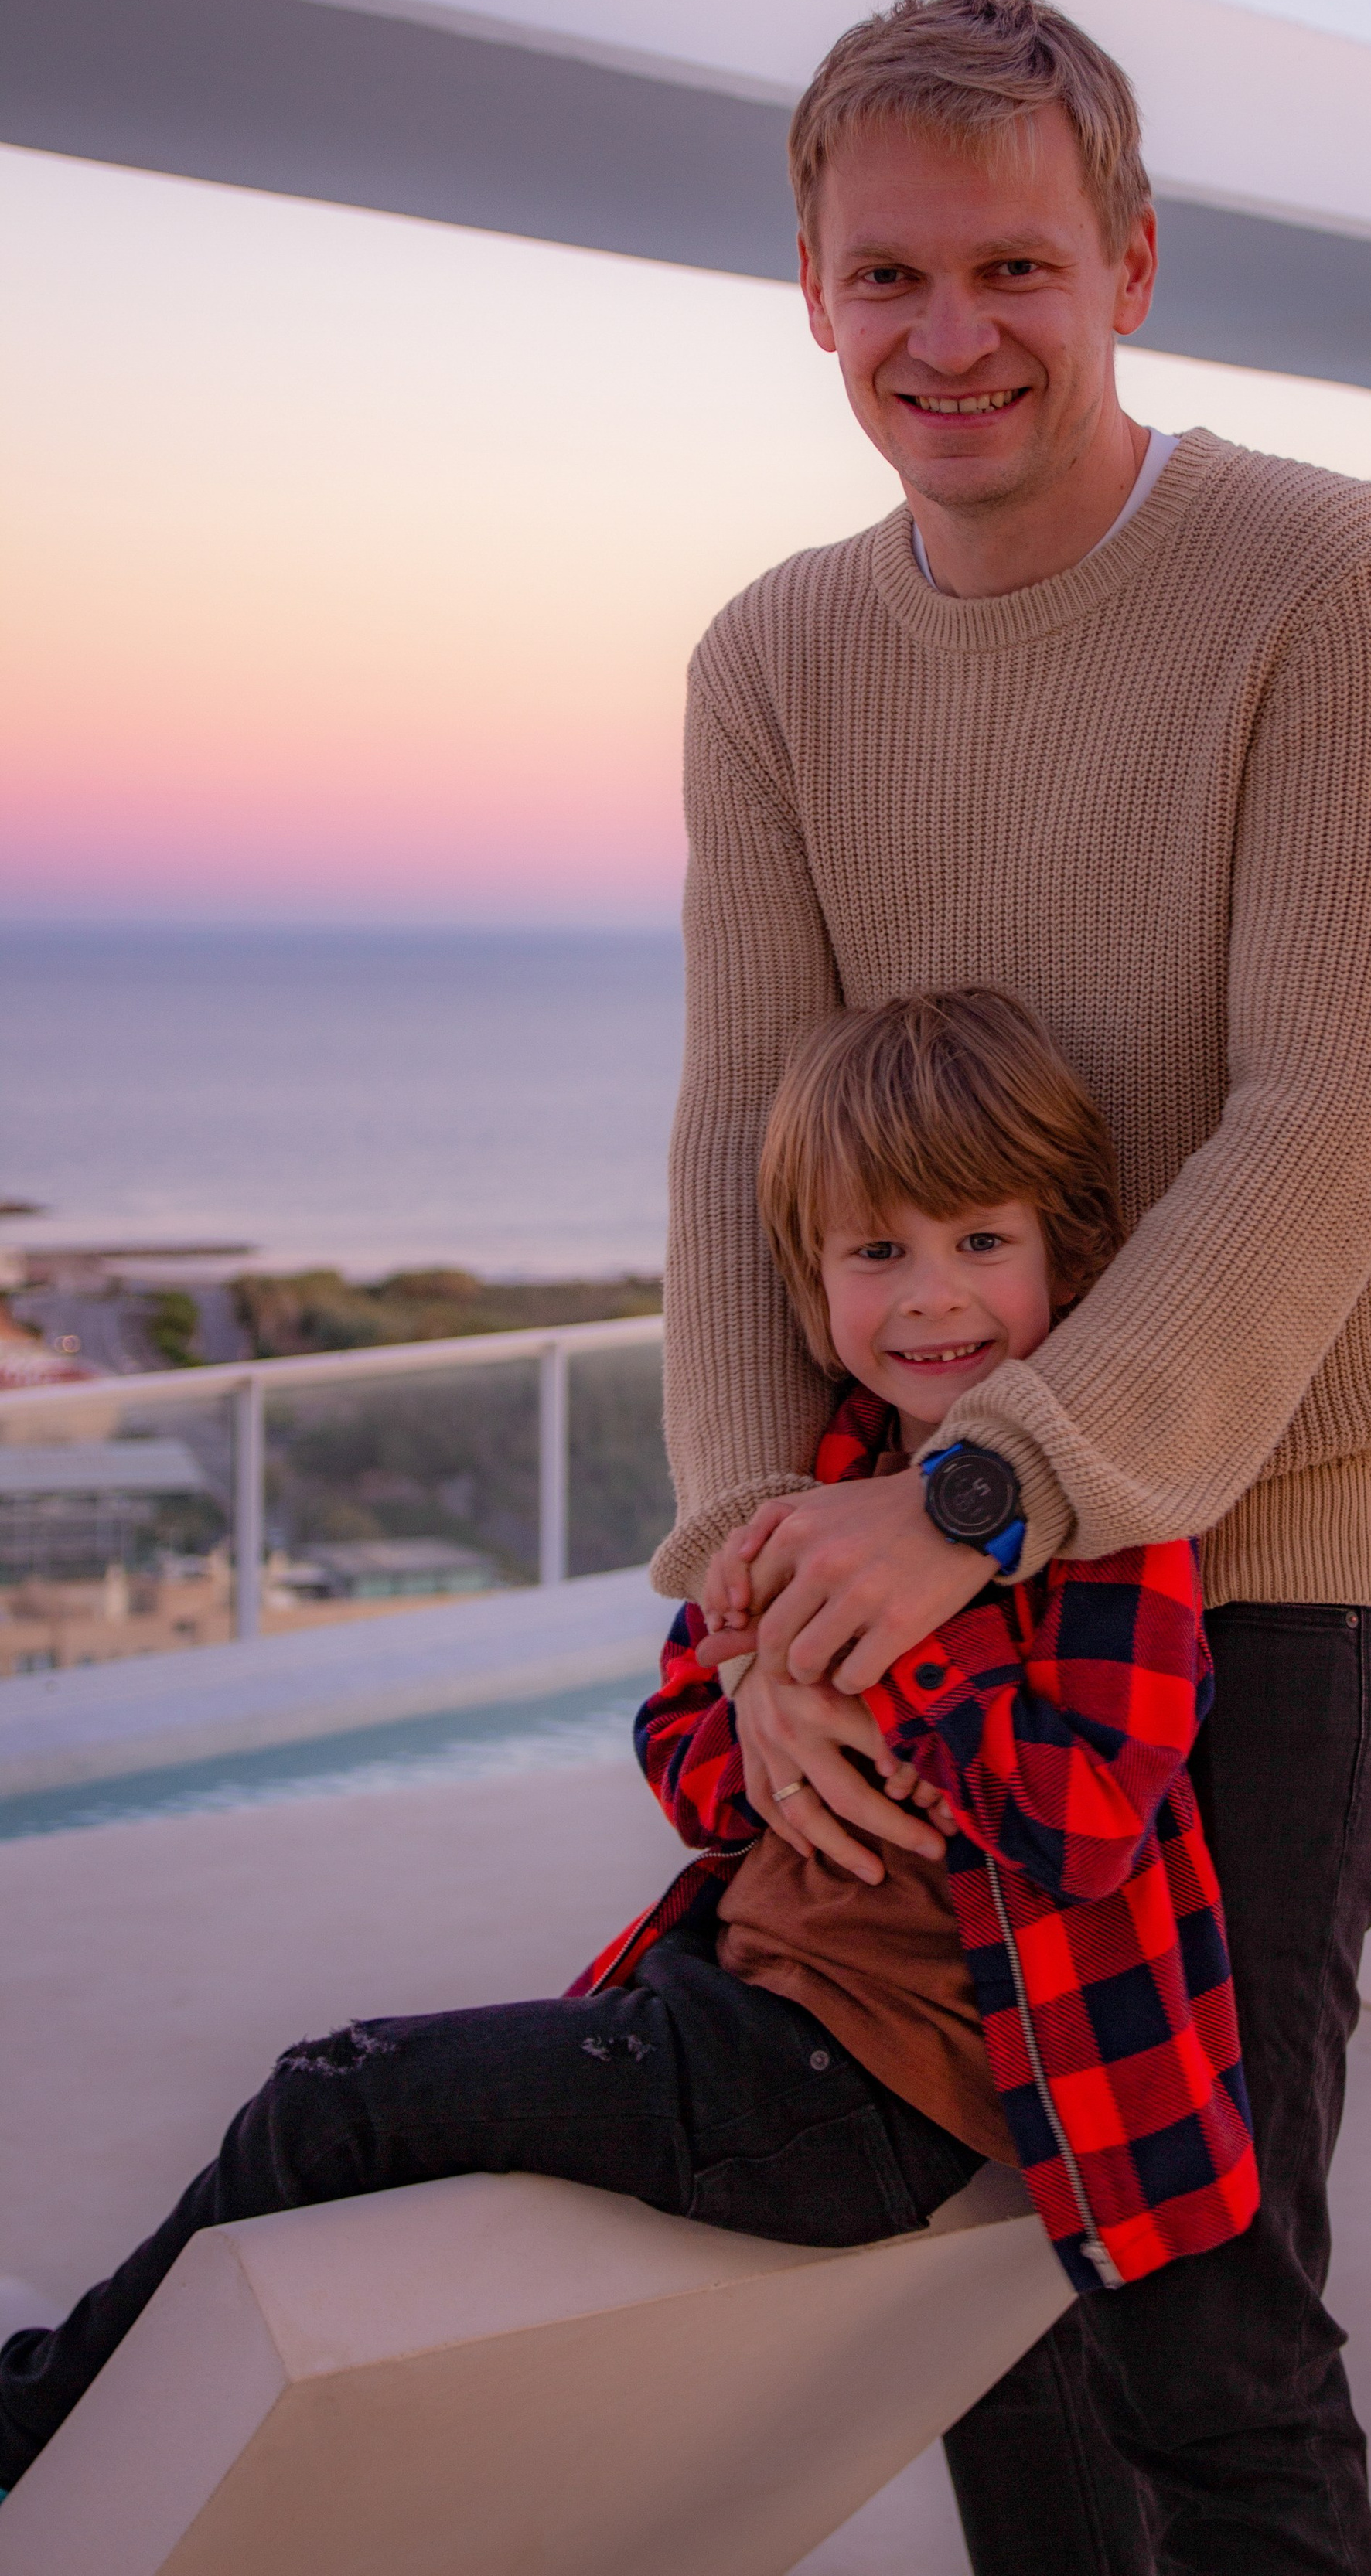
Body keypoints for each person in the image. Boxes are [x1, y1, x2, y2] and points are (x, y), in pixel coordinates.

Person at [660, 0, 1371, 2576]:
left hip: (1255, 1556)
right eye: (890, 277)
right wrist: (748, 1593)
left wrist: (986, 1497)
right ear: (810, 294)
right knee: (977, 2314)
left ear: (1127, 259)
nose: (953, 334)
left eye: (1013, 265)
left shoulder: (1326, 577)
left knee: (1203, 2321)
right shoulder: (772, 659)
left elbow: (1326, 1116)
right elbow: (734, 1134)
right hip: (899, 1574)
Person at [0, 988, 1251, 2503]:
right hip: (731, 2007)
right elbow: (685, 1769)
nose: (933, 1297)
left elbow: (1089, 1820)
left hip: (850, 2098)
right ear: (811, 1282)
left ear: (1065, 1249)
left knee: (333, 2098)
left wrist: (895, 1659)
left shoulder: (1100, 1535)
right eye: (879, 1252)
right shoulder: (820, 1478)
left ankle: (34, 2427)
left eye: (980, 1242)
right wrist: (757, 1701)